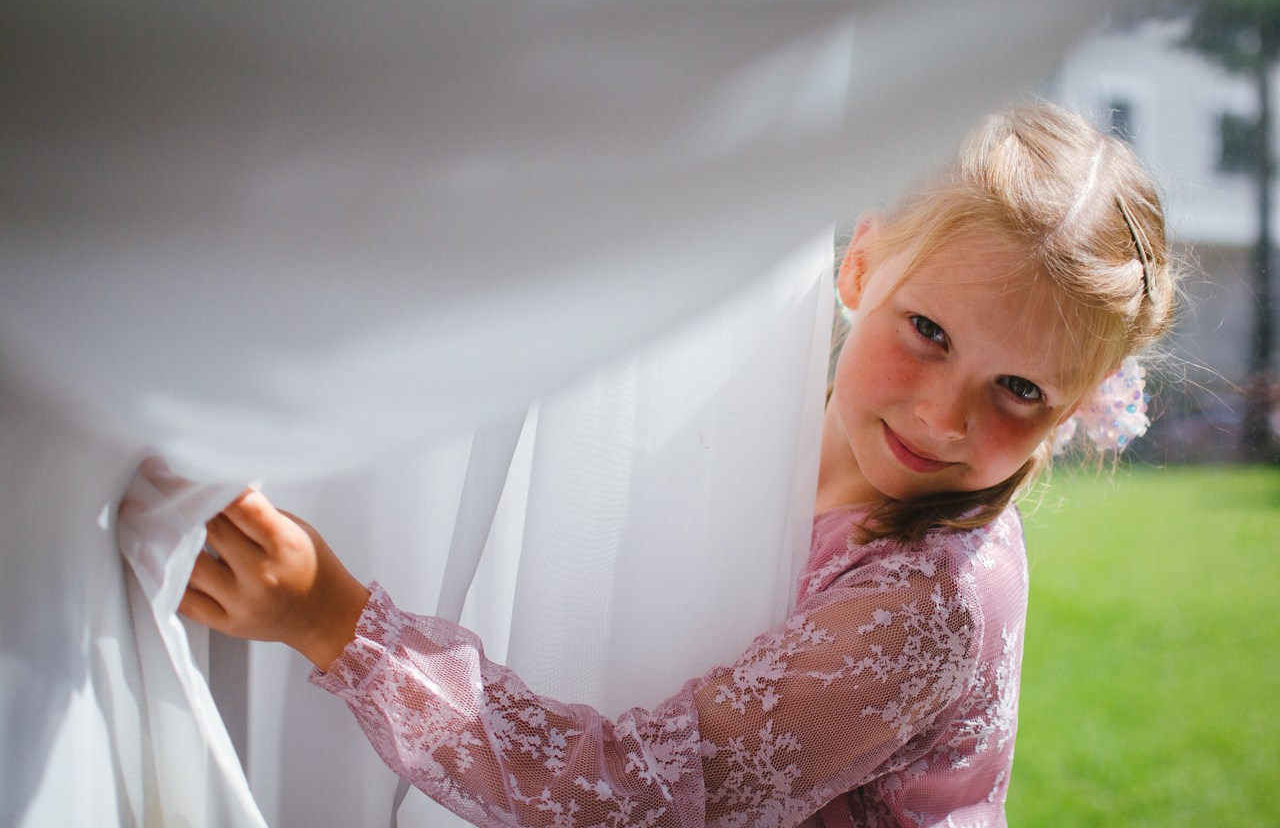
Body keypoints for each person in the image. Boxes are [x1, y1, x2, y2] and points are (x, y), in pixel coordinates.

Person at [179, 101, 1178, 827]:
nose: (941, 412)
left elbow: (643, 802)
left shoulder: (931, 601)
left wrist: (336, 622)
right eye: (926, 330)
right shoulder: (751, 416)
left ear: (1066, 415)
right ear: (857, 267)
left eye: (1018, 392)